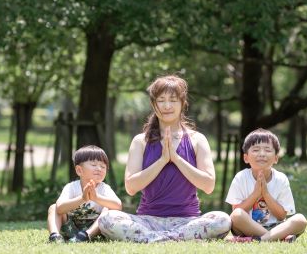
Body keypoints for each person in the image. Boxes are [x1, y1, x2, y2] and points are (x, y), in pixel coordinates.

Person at [98, 75, 231, 242]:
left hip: (188, 221)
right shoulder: (141, 141)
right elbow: (131, 187)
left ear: (183, 103)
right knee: (107, 219)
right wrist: (162, 160)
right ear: (154, 104)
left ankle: (156, 239)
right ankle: (170, 238)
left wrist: (175, 158)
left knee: (222, 219)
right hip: (147, 220)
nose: (167, 106)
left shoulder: (197, 139)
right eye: (161, 100)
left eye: (173, 100)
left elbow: (209, 185)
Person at [225, 128, 307, 242]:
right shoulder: (241, 178)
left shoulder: (281, 179)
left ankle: (257, 240)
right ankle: (276, 238)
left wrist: (266, 194)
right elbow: (236, 211)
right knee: (237, 215)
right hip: (247, 227)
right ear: (246, 158)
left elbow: (281, 216)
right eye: (256, 150)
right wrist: (255, 194)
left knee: (300, 220)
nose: (262, 154)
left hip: (276, 226)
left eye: (268, 150)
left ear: (276, 158)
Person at [47, 145, 122, 243]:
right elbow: (60, 208)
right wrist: (82, 198)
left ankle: (85, 236)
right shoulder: (71, 187)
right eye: (94, 165)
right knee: (53, 207)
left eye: (103, 166)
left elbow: (118, 206)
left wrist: (96, 197)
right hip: (71, 228)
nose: (99, 168)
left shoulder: (104, 188)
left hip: (95, 231)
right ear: (79, 170)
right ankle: (55, 236)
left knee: (108, 209)